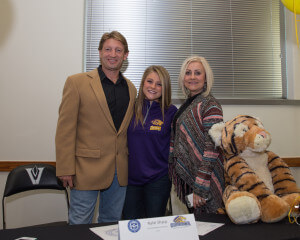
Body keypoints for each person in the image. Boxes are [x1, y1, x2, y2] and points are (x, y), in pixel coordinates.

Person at [55, 31, 137, 224]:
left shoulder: (131, 88)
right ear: (100, 52)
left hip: (119, 172)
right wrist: (65, 167)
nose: (113, 54)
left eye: (118, 50)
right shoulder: (77, 82)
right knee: (79, 223)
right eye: (108, 49)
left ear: (125, 55)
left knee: (111, 223)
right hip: (85, 169)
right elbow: (65, 129)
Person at [169, 56, 225, 219]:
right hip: (190, 179)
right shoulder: (189, 103)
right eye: (188, 73)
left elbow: (212, 148)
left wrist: (200, 187)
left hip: (204, 182)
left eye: (197, 73)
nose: (192, 77)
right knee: (197, 225)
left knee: (207, 226)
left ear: (205, 78)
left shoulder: (210, 104)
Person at [122, 65, 177, 219]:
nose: (153, 87)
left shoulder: (171, 112)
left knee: (154, 227)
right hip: (131, 179)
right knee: (131, 226)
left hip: (158, 180)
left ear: (165, 88)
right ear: (143, 83)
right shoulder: (130, 108)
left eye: (159, 84)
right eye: (150, 81)